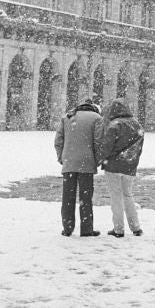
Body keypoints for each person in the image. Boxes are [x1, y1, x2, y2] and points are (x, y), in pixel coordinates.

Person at [54, 99, 104, 237]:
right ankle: (86, 229)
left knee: (67, 197)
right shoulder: (97, 118)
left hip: (69, 162)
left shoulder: (67, 116)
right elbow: (98, 142)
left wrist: (62, 158)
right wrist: (97, 160)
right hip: (86, 163)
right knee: (85, 197)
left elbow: (58, 140)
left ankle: (67, 228)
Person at [97, 98, 145, 238]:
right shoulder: (137, 125)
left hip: (113, 166)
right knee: (128, 195)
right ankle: (136, 227)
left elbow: (107, 147)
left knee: (116, 197)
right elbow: (138, 149)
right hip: (130, 166)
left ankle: (118, 229)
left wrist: (100, 159)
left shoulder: (114, 125)